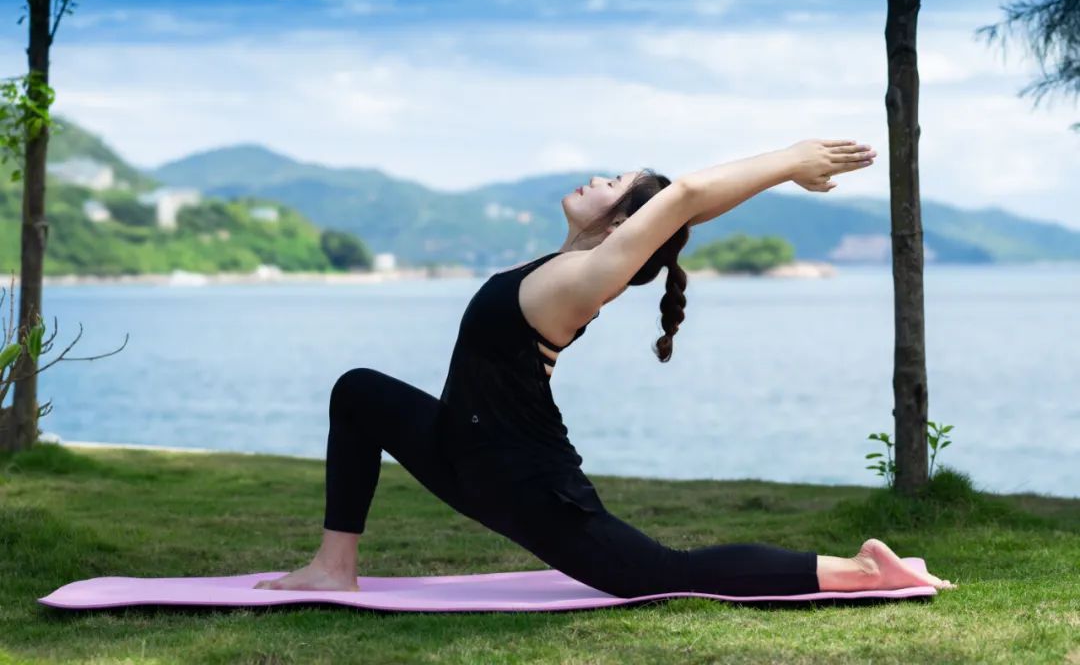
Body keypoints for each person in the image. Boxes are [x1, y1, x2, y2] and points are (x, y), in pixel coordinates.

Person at [255, 138, 956, 596]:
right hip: (458, 447)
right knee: (359, 393)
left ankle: (859, 570)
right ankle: (334, 566)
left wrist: (791, 161)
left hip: (523, 482)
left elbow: (685, 198)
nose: (595, 178)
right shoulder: (561, 263)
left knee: (662, 574)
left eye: (613, 181)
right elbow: (678, 211)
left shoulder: (583, 279)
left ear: (622, 226)